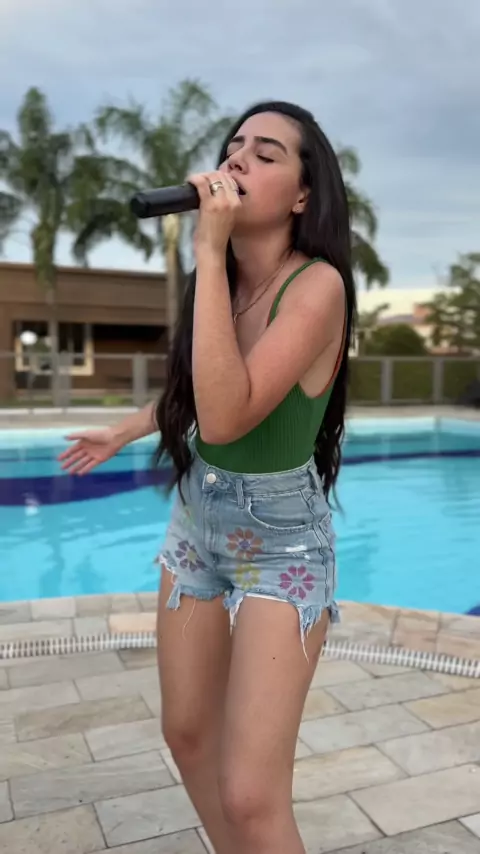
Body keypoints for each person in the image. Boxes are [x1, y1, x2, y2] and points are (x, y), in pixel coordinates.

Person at [59, 100, 356, 854]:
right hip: (198, 522)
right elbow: (199, 396)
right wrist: (125, 429)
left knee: (251, 796)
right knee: (188, 734)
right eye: (233, 147)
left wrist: (207, 245)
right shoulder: (220, 281)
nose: (236, 160)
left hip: (282, 544)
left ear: (302, 194)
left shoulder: (316, 287)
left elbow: (227, 417)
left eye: (265, 153)